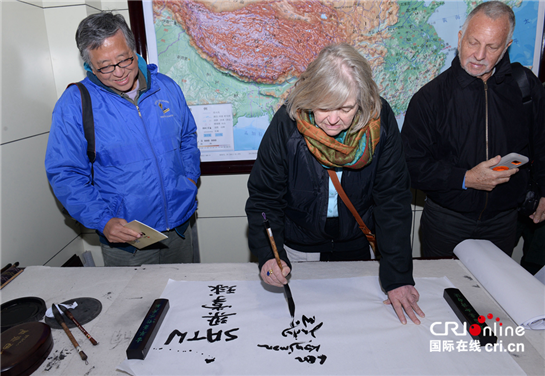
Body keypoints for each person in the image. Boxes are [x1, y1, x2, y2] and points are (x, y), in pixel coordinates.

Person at [245, 43, 425, 325]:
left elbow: (392, 199)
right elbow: (265, 199)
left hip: (356, 243)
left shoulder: (379, 123)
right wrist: (270, 255)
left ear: (362, 101)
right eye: (324, 107)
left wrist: (398, 276)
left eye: (345, 108)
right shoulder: (287, 124)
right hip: (299, 247)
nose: (332, 119)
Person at [45, 12, 200, 266]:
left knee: (187, 300)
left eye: (124, 59)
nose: (118, 73)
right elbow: (66, 173)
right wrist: (102, 220)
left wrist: (189, 180)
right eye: (104, 66)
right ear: (89, 65)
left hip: (180, 228)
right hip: (128, 241)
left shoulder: (167, 87)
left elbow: (187, 138)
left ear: (133, 48)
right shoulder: (74, 103)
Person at [401, 1, 545, 258]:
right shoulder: (430, 97)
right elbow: (411, 166)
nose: (479, 55)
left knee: (491, 296)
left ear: (506, 47)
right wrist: (465, 178)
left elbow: (542, 144)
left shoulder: (525, 87)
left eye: (492, 47)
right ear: (460, 38)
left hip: (504, 221)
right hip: (447, 221)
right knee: (443, 292)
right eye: (473, 42)